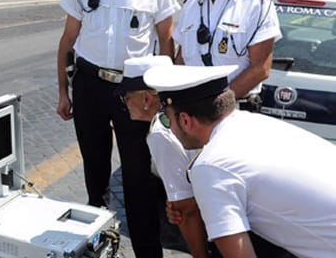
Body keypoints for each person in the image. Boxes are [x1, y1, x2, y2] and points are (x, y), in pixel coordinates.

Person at [56, 0, 180, 257]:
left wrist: (162, 98)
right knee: (95, 175)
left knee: (138, 178)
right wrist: (64, 92)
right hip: (90, 86)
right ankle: (98, 246)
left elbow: (166, 44)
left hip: (135, 91)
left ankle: (147, 251)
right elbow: (67, 41)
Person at [143, 64, 336, 258]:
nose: (170, 130)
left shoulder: (211, 165)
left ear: (185, 120)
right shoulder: (253, 123)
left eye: (167, 121)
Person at [116, 55, 210, 258]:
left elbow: (185, 210)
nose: (124, 104)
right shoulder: (181, 114)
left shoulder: (159, 134)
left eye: (126, 97)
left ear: (146, 99)